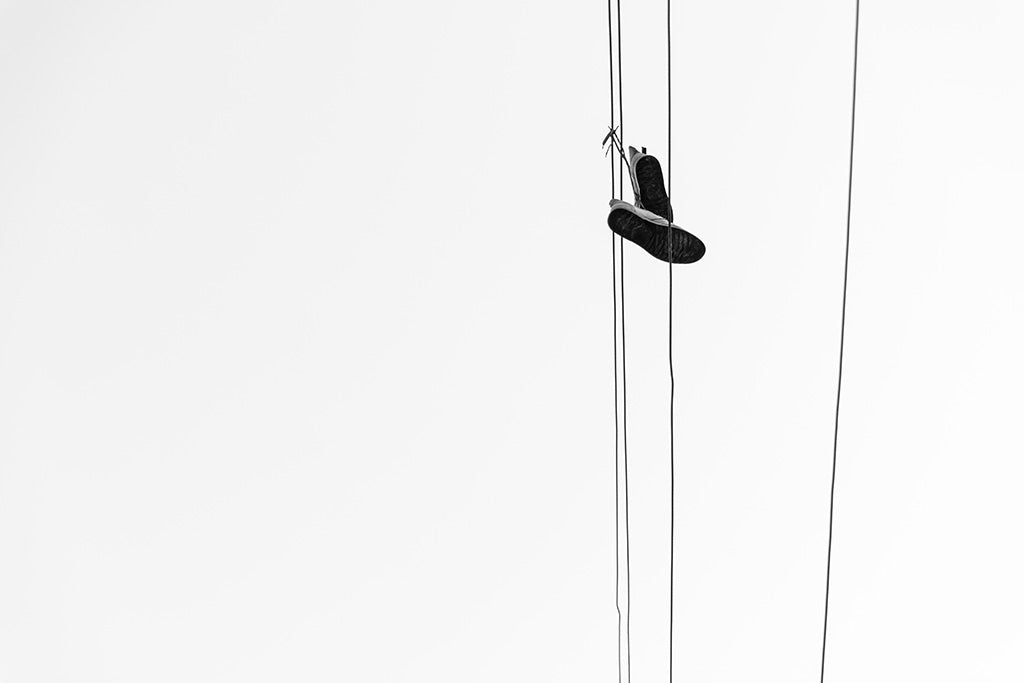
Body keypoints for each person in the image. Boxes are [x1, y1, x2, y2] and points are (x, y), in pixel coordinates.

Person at [603, 131, 705, 264]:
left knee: (651, 210)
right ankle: (643, 211)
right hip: (652, 214)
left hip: (653, 215)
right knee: (654, 210)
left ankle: (644, 211)